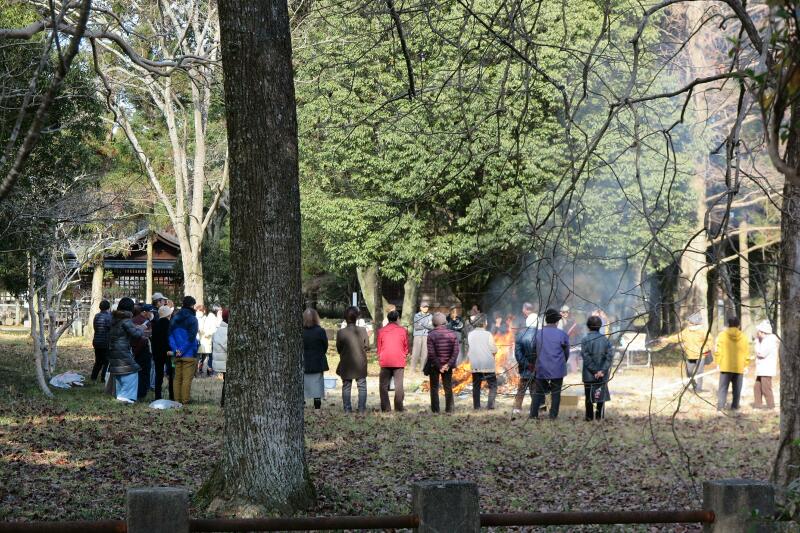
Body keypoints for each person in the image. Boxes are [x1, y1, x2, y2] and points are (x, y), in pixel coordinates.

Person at [657, 312, 711, 392]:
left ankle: (698, 389)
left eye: (690, 322)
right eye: (689, 321)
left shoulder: (703, 331)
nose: (688, 323)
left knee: (699, 373)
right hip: (690, 356)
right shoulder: (686, 331)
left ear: (694, 323)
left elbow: (709, 341)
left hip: (700, 357)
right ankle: (694, 385)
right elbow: (677, 337)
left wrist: (705, 350)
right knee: (689, 373)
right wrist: (666, 340)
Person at [531, 308, 570, 419]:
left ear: (546, 320)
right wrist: (562, 363)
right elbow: (566, 353)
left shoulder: (538, 334)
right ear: (557, 321)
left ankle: (533, 415)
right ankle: (553, 416)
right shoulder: (562, 335)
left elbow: (533, 351)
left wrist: (535, 364)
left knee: (538, 392)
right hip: (557, 368)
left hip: (541, 367)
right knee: (556, 392)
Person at [106, 297, 145, 404]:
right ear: (130, 308)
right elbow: (136, 334)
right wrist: (141, 328)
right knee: (131, 372)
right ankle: (125, 397)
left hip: (113, 350)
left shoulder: (114, 318)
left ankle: (120, 395)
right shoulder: (126, 320)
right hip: (122, 350)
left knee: (120, 372)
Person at [336, 306, 369, 413]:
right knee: (362, 386)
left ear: (345, 318)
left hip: (346, 362)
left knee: (346, 386)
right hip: (360, 362)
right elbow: (367, 346)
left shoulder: (341, 332)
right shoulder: (363, 330)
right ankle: (362, 409)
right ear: (357, 318)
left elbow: (339, 348)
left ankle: (347, 409)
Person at [426, 312, 460, 413]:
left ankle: (435, 410)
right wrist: (448, 364)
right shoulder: (452, 334)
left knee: (434, 388)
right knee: (448, 387)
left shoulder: (431, 335)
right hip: (447, 366)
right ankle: (450, 409)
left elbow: (431, 353)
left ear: (434, 323)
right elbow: (456, 351)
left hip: (435, 366)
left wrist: (439, 365)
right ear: (445, 322)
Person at [715, 316, 751, 411]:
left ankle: (720, 407)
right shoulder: (744, 336)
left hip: (725, 366)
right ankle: (735, 407)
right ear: (739, 325)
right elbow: (746, 352)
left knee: (723, 388)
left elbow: (718, 350)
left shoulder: (722, 335)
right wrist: (746, 365)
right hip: (739, 367)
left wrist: (718, 363)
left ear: (728, 325)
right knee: (737, 389)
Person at [581, 316, 613, 421]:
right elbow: (609, 357)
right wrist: (602, 371)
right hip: (602, 375)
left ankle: (589, 417)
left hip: (589, 374)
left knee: (589, 396)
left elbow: (586, 357)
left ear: (588, 326)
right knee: (601, 396)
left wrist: (595, 371)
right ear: (600, 326)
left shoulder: (585, 339)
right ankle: (599, 417)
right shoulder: (605, 340)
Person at [169, 296, 200, 404]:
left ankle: (177, 400)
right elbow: (191, 338)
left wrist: (176, 350)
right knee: (187, 378)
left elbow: (170, 336)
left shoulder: (174, 318)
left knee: (177, 378)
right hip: (189, 353)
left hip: (177, 353)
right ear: (192, 305)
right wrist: (182, 350)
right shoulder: (193, 319)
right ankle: (185, 401)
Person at [377, 310, 408, 412]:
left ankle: (386, 408)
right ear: (398, 319)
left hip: (385, 360)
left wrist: (380, 357)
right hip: (399, 360)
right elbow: (406, 346)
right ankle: (399, 407)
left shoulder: (381, 331)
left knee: (383, 385)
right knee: (399, 385)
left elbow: (379, 347)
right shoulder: (403, 330)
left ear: (388, 319)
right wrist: (405, 354)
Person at [466, 315, 498, 410]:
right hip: (487, 364)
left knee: (476, 386)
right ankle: (490, 405)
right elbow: (493, 350)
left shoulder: (470, 334)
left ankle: (477, 406)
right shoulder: (488, 334)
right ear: (484, 323)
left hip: (475, 363)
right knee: (493, 385)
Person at [302, 308, 328, 410]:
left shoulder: (300, 331)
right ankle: (317, 405)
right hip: (317, 361)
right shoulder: (320, 331)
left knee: (303, 383)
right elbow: (325, 346)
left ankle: (302, 402)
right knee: (317, 384)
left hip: (304, 361)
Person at [513, 320, 537, 415]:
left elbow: (518, 354)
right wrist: (535, 365)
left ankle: (517, 408)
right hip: (536, 368)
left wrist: (527, 365)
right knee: (535, 389)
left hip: (524, 368)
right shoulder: (540, 335)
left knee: (521, 388)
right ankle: (536, 408)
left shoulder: (520, 335)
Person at [131, 304, 154, 401]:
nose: (151, 314)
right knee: (144, 372)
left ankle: (136, 391)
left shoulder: (133, 320)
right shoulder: (146, 322)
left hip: (133, 349)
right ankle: (142, 393)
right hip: (143, 350)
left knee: (136, 372)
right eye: (150, 312)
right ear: (144, 312)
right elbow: (145, 337)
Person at [753, 320, 777, 410]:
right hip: (762, 369)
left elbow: (761, 353)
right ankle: (758, 405)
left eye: (758, 331)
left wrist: (756, 344)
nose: (757, 333)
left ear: (763, 332)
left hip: (767, 369)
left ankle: (771, 406)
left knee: (766, 388)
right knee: (757, 387)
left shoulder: (769, 340)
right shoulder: (763, 340)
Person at [151, 305, 173, 400]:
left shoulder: (155, 325)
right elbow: (169, 339)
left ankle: (158, 396)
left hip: (157, 353)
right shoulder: (170, 325)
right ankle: (172, 395)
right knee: (171, 374)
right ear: (168, 315)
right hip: (168, 352)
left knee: (158, 375)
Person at [90, 300, 112, 383]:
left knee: (98, 361)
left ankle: (93, 377)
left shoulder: (96, 316)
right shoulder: (109, 317)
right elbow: (110, 328)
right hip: (105, 341)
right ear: (108, 307)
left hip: (96, 341)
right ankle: (103, 378)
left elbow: (95, 327)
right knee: (107, 361)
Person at [410, 301, 434, 373]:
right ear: (421, 308)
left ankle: (422, 369)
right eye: (424, 307)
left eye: (427, 307)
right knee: (415, 353)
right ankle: (412, 369)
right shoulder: (416, 315)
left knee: (425, 353)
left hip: (427, 335)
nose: (426, 308)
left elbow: (432, 327)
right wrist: (427, 325)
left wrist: (422, 324)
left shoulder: (431, 316)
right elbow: (417, 327)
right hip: (418, 335)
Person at [213, 308, 229, 407]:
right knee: (226, 383)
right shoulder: (224, 330)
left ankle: (224, 402)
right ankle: (223, 403)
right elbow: (226, 345)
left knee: (226, 382)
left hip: (223, 360)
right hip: (224, 361)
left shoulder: (221, 328)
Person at [196, 304, 217, 376]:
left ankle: (204, 372)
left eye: (200, 311)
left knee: (205, 358)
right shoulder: (197, 318)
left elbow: (212, 329)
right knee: (199, 357)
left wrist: (207, 333)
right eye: (198, 311)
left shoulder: (208, 318)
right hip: (200, 340)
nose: (199, 312)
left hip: (206, 340)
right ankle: (198, 372)